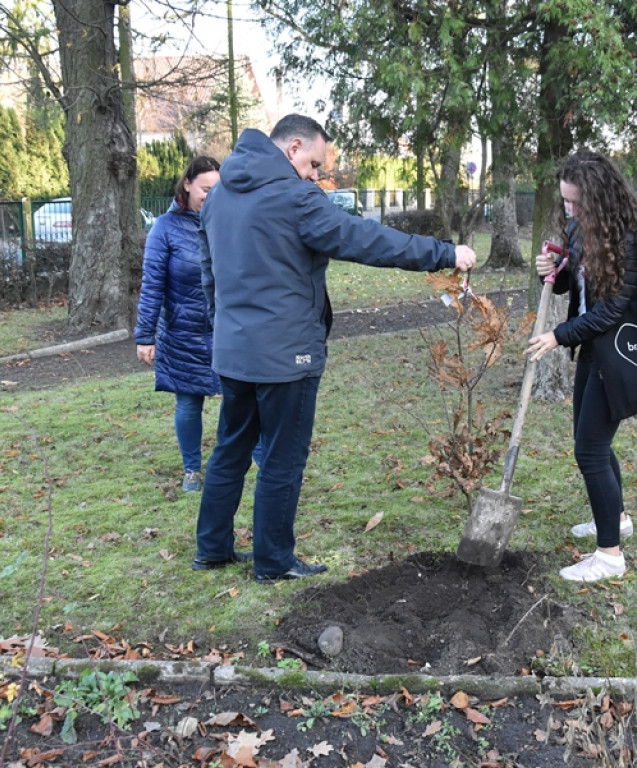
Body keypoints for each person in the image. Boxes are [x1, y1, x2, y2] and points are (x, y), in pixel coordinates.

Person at [194, 114, 477, 581]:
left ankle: (212, 548)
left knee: (231, 446)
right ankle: (274, 561)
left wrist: (223, 329)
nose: (315, 174)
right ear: (293, 148)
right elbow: (364, 239)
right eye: (313, 163)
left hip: (233, 350)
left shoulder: (218, 196)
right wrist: (443, 253)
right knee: (283, 457)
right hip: (288, 355)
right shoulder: (295, 197)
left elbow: (210, 276)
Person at [525, 149, 637, 583]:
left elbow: (611, 311)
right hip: (592, 350)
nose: (568, 210)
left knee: (589, 450)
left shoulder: (624, 238)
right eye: (565, 202)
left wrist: (556, 336)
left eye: (575, 203)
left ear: (599, 198)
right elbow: (577, 286)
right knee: (594, 446)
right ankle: (617, 518)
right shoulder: (582, 227)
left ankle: (609, 556)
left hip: (617, 355)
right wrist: (554, 270)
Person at [135, 156, 226, 493]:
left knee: (243, 399)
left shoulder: (228, 221)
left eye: (217, 189)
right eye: (205, 189)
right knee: (189, 402)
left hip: (227, 330)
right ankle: (192, 471)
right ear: (187, 184)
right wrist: (145, 335)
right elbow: (152, 283)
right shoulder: (165, 228)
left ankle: (259, 460)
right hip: (182, 332)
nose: (211, 196)